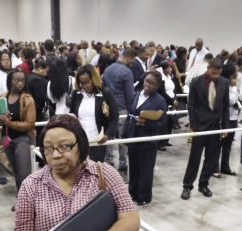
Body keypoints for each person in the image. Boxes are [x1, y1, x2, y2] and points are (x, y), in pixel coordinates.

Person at [181, 58, 229, 200]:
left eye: (218, 74)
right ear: (208, 68)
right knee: (194, 158)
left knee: (211, 158)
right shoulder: (196, 81)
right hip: (200, 126)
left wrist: (225, 127)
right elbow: (191, 106)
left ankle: (204, 184)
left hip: (215, 127)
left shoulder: (224, 83)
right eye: (213, 72)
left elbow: (226, 106)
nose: (215, 76)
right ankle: (187, 186)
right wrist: (194, 125)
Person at [124, 71, 168, 205]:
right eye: (147, 81)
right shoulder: (135, 95)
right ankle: (132, 193)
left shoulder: (160, 101)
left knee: (146, 169)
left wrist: (146, 123)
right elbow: (129, 116)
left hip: (147, 140)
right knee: (133, 167)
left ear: (158, 86)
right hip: (133, 138)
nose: (148, 85)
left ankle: (144, 196)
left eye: (152, 83)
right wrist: (124, 135)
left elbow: (162, 123)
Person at [0, 68, 36, 193]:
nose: (20, 83)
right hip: (7, 139)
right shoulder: (2, 97)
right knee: (16, 172)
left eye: (22, 81)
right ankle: (21, 200)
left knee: (24, 174)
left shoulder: (28, 99)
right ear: (10, 81)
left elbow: (29, 124)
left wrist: (8, 123)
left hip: (23, 139)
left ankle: (28, 203)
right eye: (17, 80)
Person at [69, 65, 119, 163]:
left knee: (95, 171)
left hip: (97, 142)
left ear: (94, 79)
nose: (85, 85)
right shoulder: (77, 94)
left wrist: (107, 135)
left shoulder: (105, 93)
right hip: (79, 141)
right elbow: (72, 113)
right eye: (82, 83)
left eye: (88, 82)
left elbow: (114, 118)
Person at [101, 48, 137, 170]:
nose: (132, 62)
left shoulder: (107, 69)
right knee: (123, 137)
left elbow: (102, 88)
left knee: (108, 136)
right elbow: (129, 94)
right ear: (127, 58)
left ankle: (109, 162)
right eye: (131, 60)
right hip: (121, 108)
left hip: (108, 108)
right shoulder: (127, 72)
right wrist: (131, 110)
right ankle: (122, 163)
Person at [217, 63, 240, 177]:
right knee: (218, 145)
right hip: (224, 118)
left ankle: (225, 167)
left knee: (228, 145)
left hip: (234, 117)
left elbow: (237, 99)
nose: (238, 71)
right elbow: (230, 100)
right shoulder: (223, 84)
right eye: (236, 70)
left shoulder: (234, 84)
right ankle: (214, 168)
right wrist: (232, 87)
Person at [28, 57, 50, 123]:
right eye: (46, 71)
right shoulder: (37, 80)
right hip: (36, 113)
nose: (46, 74)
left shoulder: (29, 76)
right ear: (40, 69)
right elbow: (41, 98)